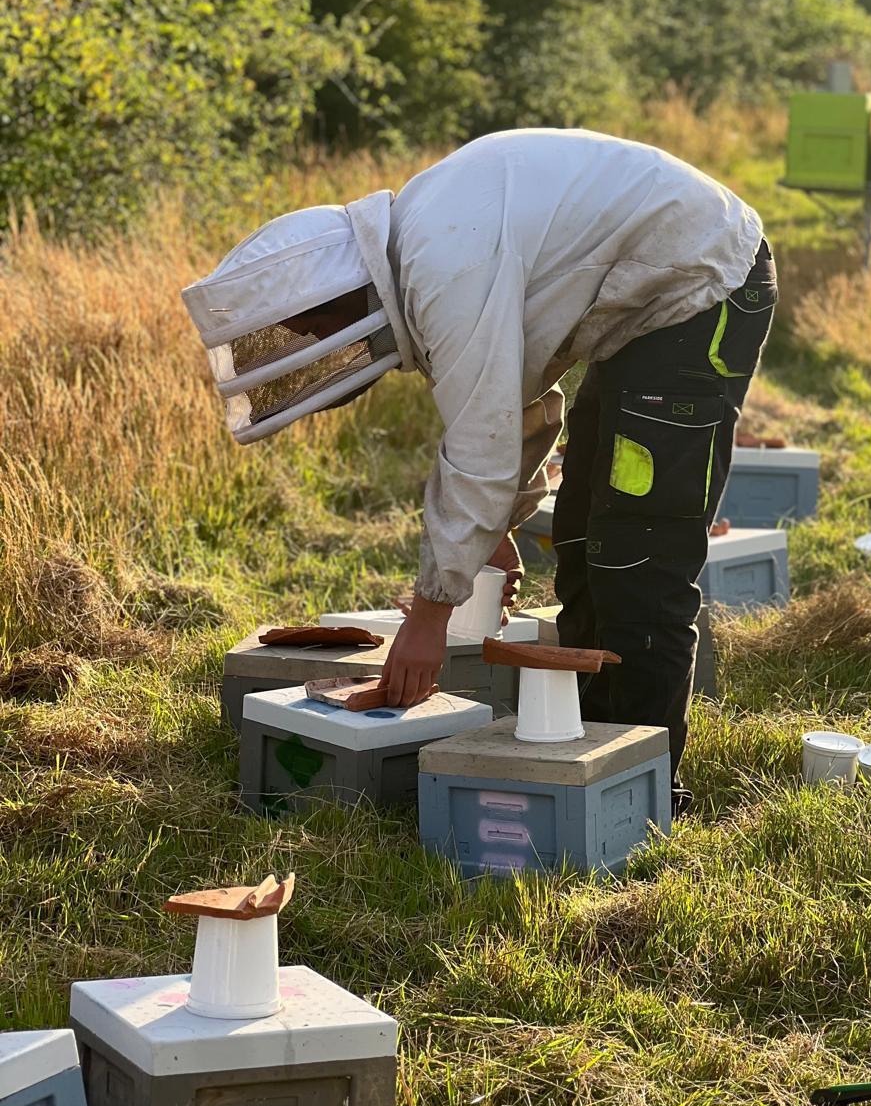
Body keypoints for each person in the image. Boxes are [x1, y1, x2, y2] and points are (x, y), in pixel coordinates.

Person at [182, 129, 775, 809]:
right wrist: (496, 529)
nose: (316, 343)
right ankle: (593, 751)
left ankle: (645, 791)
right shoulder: (429, 245)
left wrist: (431, 615)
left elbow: (481, 442)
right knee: (583, 536)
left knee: (638, 556)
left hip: (703, 287)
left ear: (339, 291)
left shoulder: (443, 264)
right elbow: (515, 404)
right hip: (647, 306)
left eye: (312, 325)